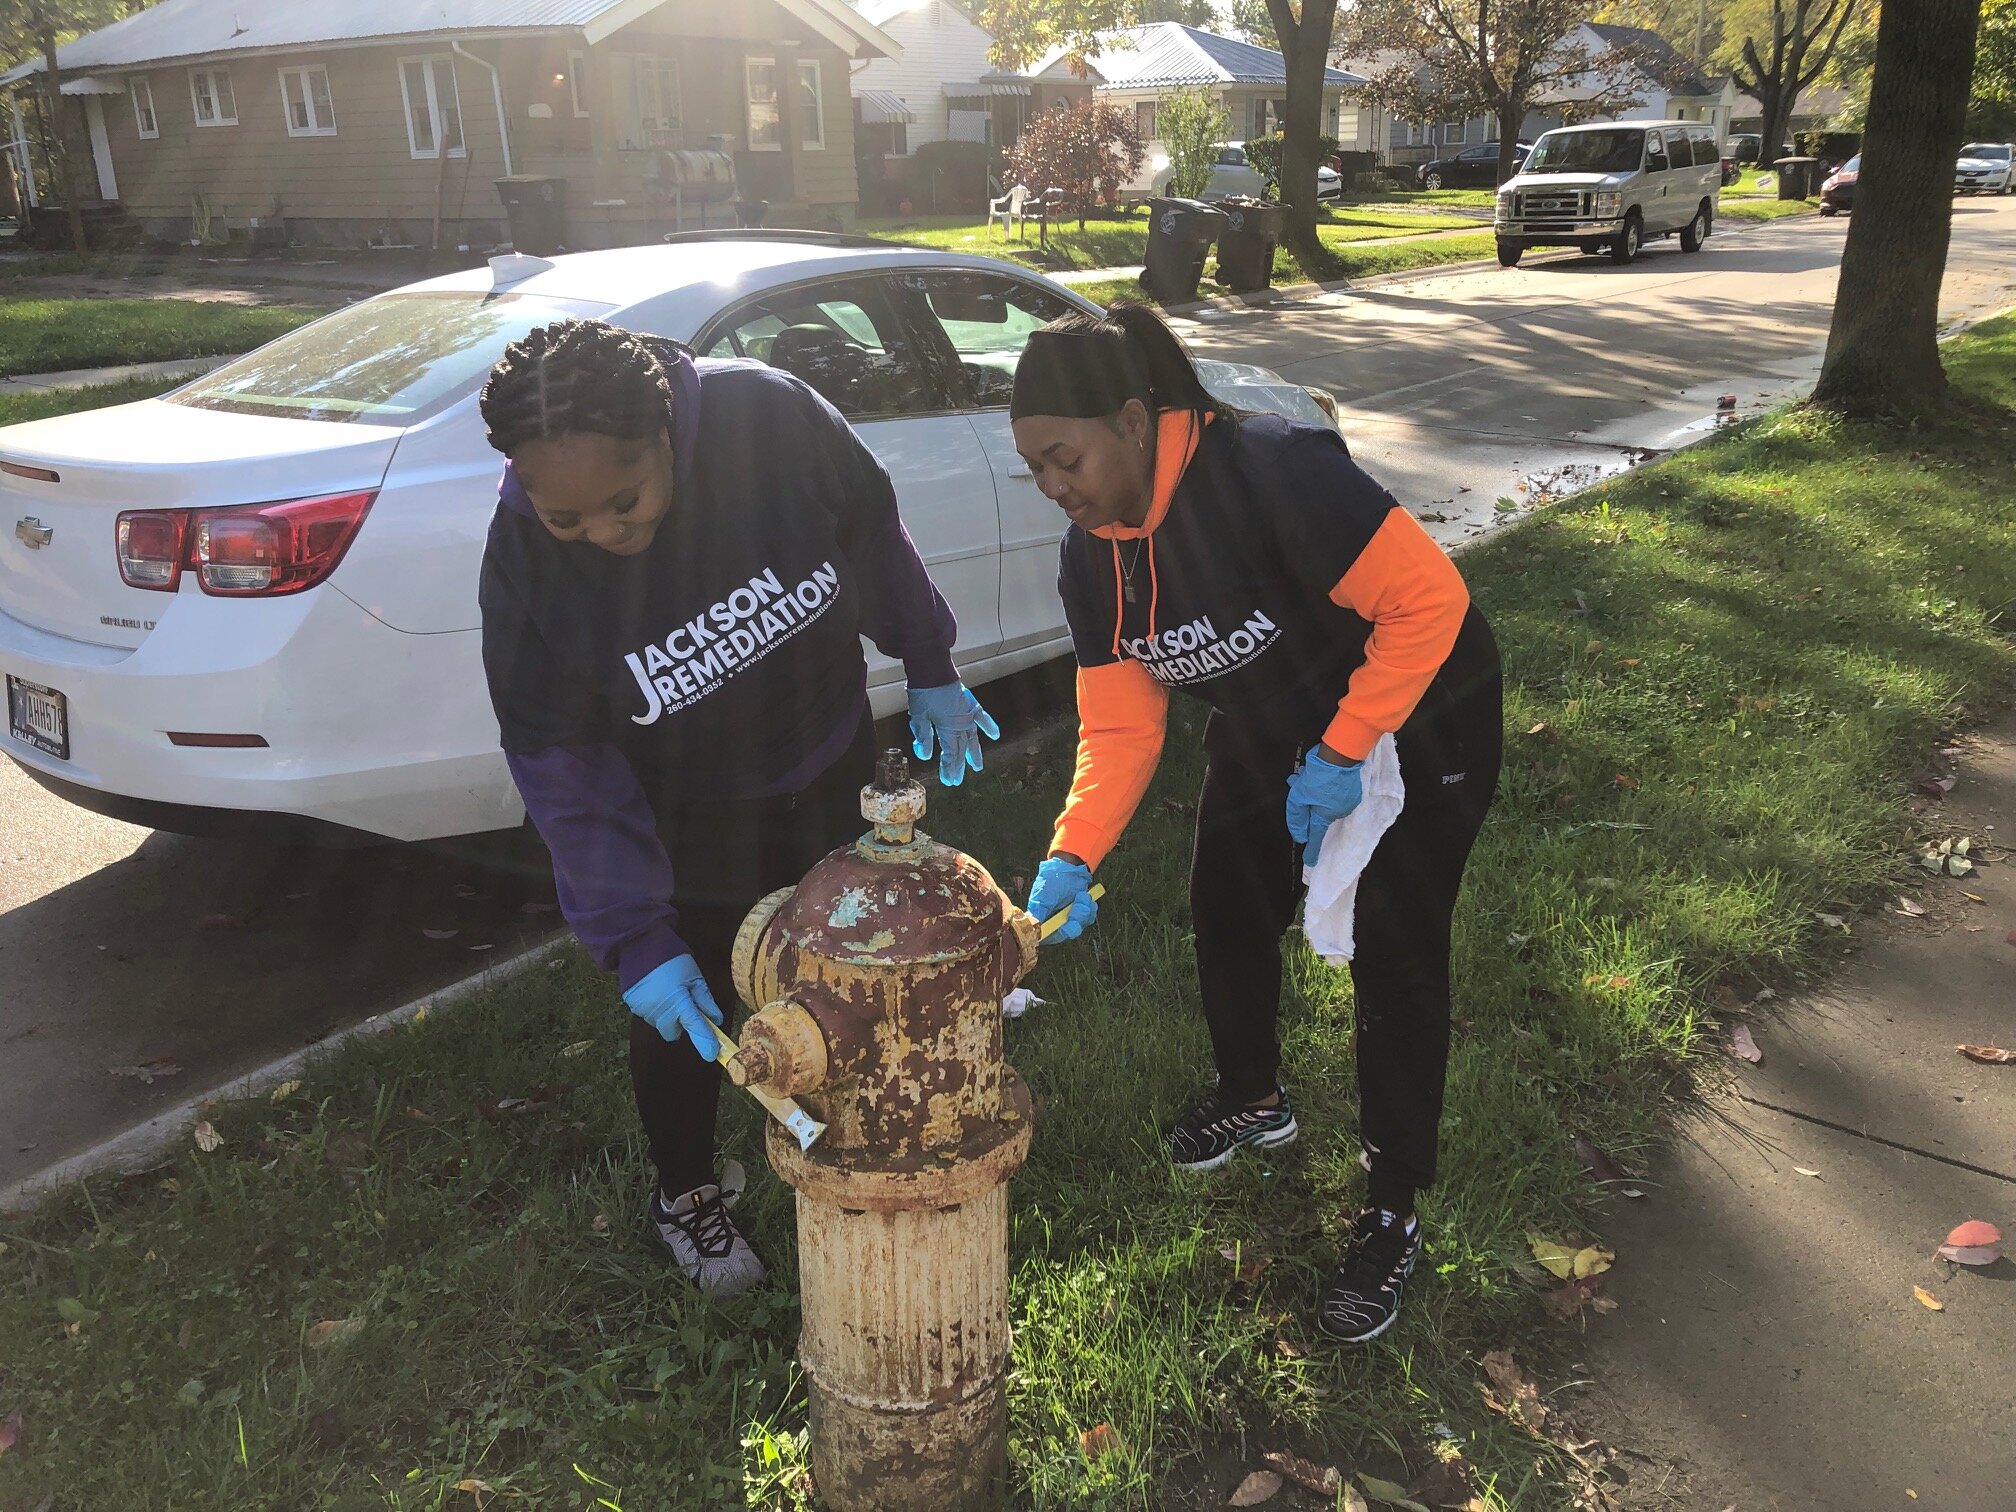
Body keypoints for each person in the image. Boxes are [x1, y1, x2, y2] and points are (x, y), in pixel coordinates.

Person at [477, 318, 998, 1296]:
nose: (606, 535)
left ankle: (854, 1125)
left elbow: (869, 526)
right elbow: (560, 760)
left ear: (668, 429)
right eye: (570, 519)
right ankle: (686, 1195)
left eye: (624, 503)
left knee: (848, 955)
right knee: (694, 1006)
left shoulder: (768, 416)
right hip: (689, 806)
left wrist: (926, 660)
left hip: (826, 745)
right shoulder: (523, 562)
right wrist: (635, 935)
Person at [1012, 306, 1501, 1343]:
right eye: (1036, 470)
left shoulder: (1274, 471)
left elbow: (1428, 598)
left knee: (1395, 956)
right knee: (1226, 905)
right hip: (1274, 722)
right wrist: (1073, 852)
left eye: (1066, 458)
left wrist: (1341, 750)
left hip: (1418, 709)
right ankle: (1251, 1092)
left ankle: (1390, 1208)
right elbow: (1120, 724)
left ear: (1136, 423)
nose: (1056, 487)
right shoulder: (1092, 557)